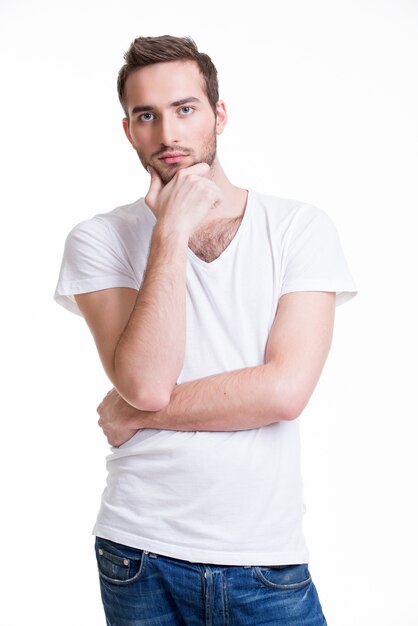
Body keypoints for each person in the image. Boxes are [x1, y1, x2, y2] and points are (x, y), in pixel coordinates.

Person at [54, 35, 357, 625]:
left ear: (219, 115)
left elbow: (283, 392)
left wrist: (136, 415)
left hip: (264, 559)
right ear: (129, 130)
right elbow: (144, 382)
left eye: (185, 109)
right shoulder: (98, 240)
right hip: (139, 551)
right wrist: (167, 237)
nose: (167, 134)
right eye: (147, 115)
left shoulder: (299, 228)